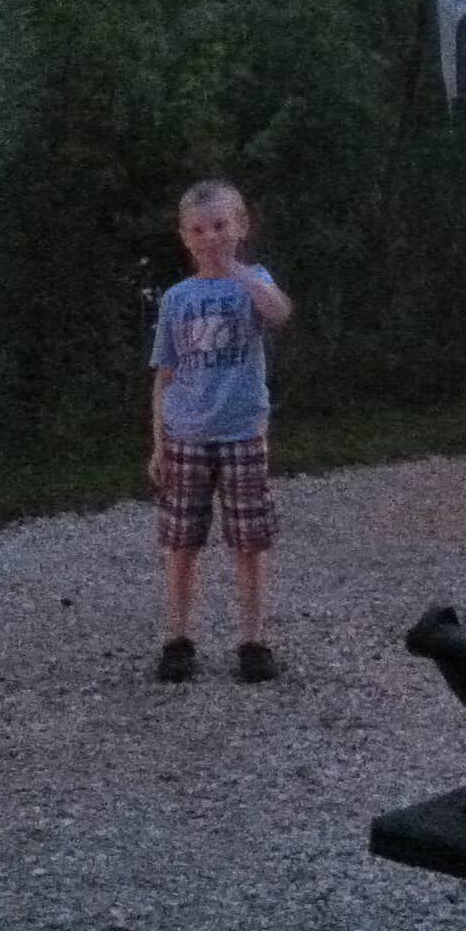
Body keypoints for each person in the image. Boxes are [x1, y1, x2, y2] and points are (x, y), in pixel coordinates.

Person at [147, 179, 294, 683]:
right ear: (184, 236)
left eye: (220, 225)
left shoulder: (254, 283)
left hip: (242, 432)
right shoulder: (176, 299)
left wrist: (238, 272)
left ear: (241, 226)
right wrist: (158, 444)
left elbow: (279, 313)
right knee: (181, 542)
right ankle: (177, 638)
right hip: (185, 434)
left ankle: (252, 641)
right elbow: (164, 376)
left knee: (248, 542)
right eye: (198, 229)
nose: (210, 236)